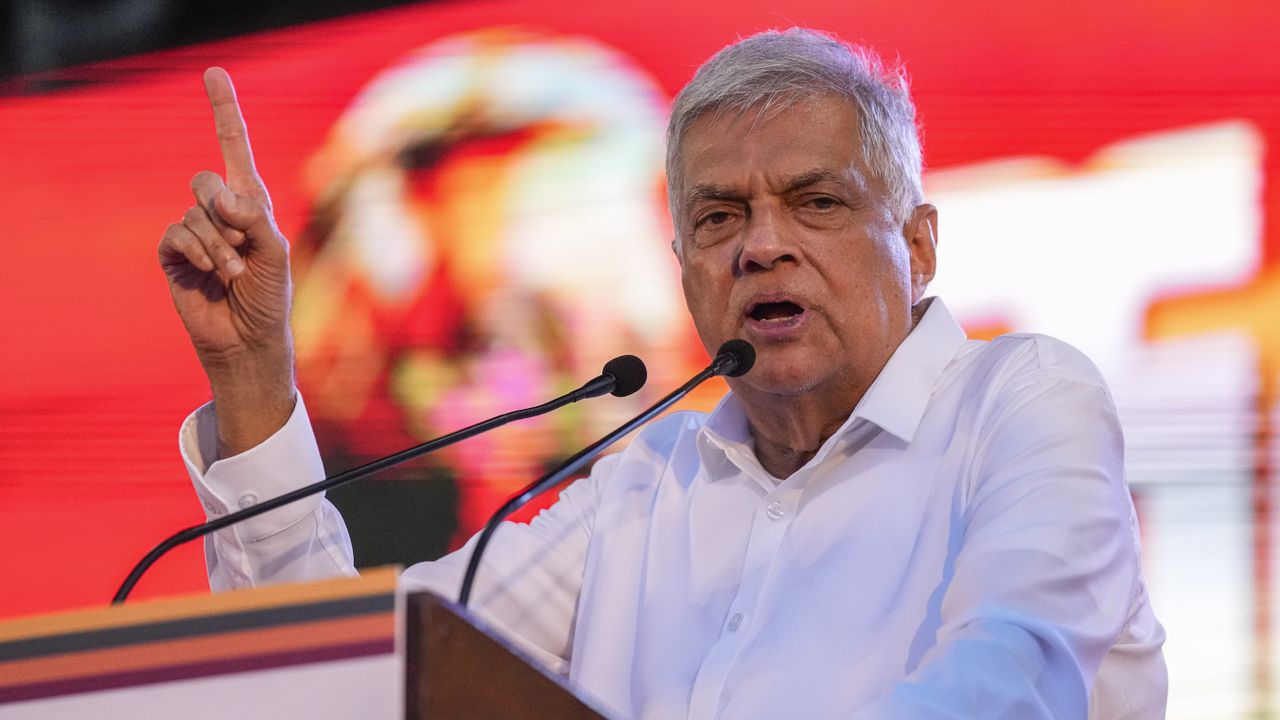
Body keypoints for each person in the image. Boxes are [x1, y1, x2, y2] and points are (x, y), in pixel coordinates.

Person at [160, 28, 1167, 719]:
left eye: (815, 203)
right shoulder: (643, 488)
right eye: (719, 217)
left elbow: (1013, 674)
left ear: (917, 244)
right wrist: (252, 373)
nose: (761, 247)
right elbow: (351, 685)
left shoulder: (1022, 401)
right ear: (682, 265)